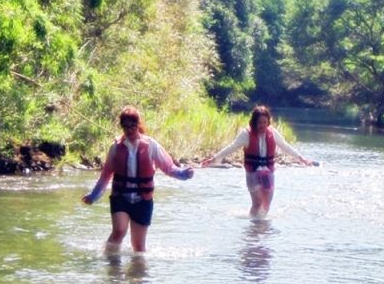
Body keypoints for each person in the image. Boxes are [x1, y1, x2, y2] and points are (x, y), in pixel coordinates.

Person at [82, 106, 194, 253]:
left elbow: (169, 168)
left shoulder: (151, 146)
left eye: (132, 126)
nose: (129, 130)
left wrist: (184, 174)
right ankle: (111, 268)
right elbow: (106, 175)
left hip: (143, 199)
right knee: (119, 231)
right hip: (120, 198)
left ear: (138, 124)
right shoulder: (115, 148)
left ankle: (137, 275)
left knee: (139, 247)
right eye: (125, 126)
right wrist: (94, 195)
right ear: (122, 127)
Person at [201, 105, 317, 217]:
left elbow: (285, 146)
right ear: (254, 122)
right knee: (257, 203)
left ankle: (260, 228)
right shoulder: (246, 134)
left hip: (268, 171)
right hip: (252, 172)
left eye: (265, 123)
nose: (262, 126)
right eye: (259, 123)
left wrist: (301, 158)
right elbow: (232, 147)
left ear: (268, 122)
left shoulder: (272, 133)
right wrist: (214, 159)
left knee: (266, 205)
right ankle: (252, 226)